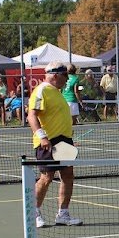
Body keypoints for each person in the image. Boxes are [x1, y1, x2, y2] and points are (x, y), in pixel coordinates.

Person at [28, 62, 81, 227]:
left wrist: (68, 135)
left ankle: (63, 215)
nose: (67, 79)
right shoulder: (42, 90)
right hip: (49, 142)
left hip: (65, 141)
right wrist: (42, 137)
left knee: (68, 176)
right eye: (65, 76)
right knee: (46, 177)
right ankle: (33, 213)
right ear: (56, 75)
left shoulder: (58, 92)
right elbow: (31, 115)